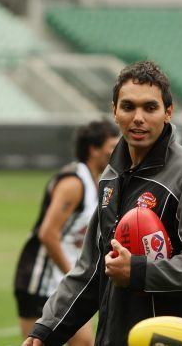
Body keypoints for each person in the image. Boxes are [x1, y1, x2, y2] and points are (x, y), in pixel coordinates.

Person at [25, 61, 182, 346]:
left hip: (167, 340)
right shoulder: (111, 176)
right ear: (114, 110)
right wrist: (46, 331)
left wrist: (139, 271)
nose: (138, 118)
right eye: (128, 106)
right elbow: (93, 269)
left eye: (150, 107)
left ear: (168, 112)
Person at [14, 120, 120, 345]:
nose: (117, 150)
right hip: (39, 279)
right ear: (94, 149)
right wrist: (74, 274)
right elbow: (47, 233)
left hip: (64, 278)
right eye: (112, 145)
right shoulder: (74, 182)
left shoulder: (98, 181)